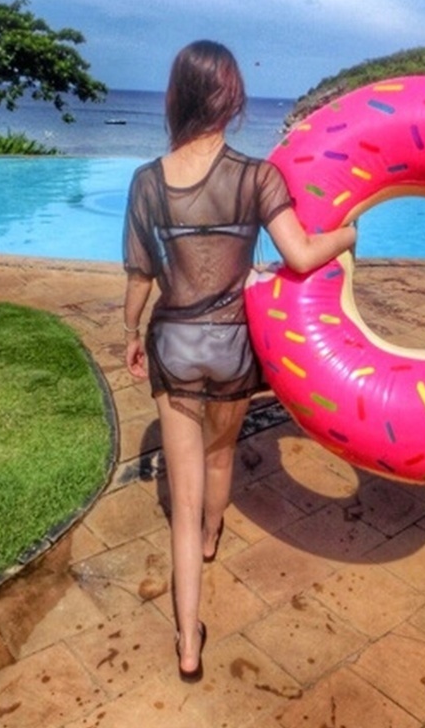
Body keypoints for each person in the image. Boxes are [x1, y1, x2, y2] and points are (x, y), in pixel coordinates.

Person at [122, 40, 356, 683]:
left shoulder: (147, 181)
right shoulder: (257, 176)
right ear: (232, 99)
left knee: (183, 494)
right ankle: (211, 537)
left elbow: (139, 276)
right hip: (231, 346)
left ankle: (188, 642)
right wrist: (348, 234)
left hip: (174, 343)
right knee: (221, 459)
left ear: (176, 97)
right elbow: (301, 255)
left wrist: (129, 331)